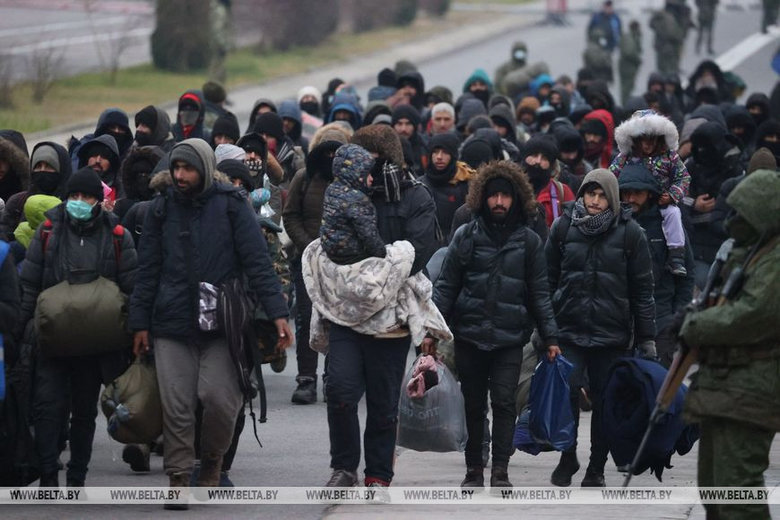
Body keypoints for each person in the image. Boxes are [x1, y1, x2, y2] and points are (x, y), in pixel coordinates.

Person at [128, 138, 292, 506]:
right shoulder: (161, 209)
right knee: (177, 405)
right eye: (176, 168)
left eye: (188, 168)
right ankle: (178, 477)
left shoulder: (232, 205)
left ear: (204, 168)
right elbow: (147, 269)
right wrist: (140, 323)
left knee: (218, 399)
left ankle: (213, 459)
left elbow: (257, 263)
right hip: (171, 322)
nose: (180, 175)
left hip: (221, 322)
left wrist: (277, 314)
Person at [428, 160, 559, 490]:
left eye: (505, 196)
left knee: (503, 403)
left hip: (510, 338)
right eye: (493, 196)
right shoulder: (466, 236)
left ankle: (500, 470)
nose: (499, 202)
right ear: (482, 198)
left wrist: (550, 337)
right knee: (473, 405)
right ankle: (474, 469)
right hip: (469, 336)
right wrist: (432, 332)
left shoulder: (529, 242)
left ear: (516, 199)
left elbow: (540, 294)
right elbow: (446, 287)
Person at [320, 123, 438, 488]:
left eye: (373, 162)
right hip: (347, 311)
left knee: (384, 403)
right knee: (340, 390)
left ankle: (378, 475)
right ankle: (343, 468)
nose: (367, 172)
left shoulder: (415, 197)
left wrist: (380, 269)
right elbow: (326, 238)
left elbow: (420, 250)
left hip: (392, 318)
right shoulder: (341, 193)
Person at [20, 167, 138, 487]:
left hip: (93, 343)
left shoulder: (117, 236)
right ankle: (48, 474)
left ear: (98, 201)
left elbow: (131, 287)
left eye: (86, 196)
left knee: (84, 412)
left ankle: (77, 477)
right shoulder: (48, 232)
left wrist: (134, 331)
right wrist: (23, 331)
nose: (79, 201)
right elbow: (30, 283)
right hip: (53, 339)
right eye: (74, 195)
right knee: (48, 407)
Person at [680, 168, 780, 520]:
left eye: (743, 211)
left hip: (752, 386)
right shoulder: (749, 253)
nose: (735, 218)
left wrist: (697, 325)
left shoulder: (774, 260)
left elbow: (752, 314)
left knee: (738, 494)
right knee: (714, 488)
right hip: (726, 384)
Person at [546, 169, 656, 487]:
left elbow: (642, 291)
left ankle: (596, 467)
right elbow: (546, 281)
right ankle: (568, 454)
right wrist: (545, 327)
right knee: (566, 392)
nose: (594, 201)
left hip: (612, 334)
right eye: (589, 193)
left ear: (613, 200)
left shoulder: (630, 234)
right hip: (569, 329)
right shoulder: (563, 227)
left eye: (601, 195)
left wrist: (647, 338)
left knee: (605, 402)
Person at [283, 124, 351, 404]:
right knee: (305, 317)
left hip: (343, 264)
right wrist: (308, 246)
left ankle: (333, 377)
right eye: (327, 151)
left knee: (339, 319)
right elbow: (290, 215)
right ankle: (306, 379)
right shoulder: (304, 177)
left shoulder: (352, 181)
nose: (331, 158)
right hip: (308, 262)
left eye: (337, 152)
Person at [619, 163, 695, 366]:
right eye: (626, 193)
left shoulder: (668, 225)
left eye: (637, 193)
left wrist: (676, 316)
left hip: (661, 320)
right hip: (619, 322)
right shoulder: (614, 224)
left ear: (649, 194)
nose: (631, 199)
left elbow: (686, 274)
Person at [611, 110, 691, 276]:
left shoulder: (670, 156)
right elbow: (611, 176)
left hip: (660, 202)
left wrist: (672, 195)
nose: (647, 145)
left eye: (651, 140)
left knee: (674, 214)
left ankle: (676, 256)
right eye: (643, 140)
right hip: (630, 202)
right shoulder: (625, 156)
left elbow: (683, 177)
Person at [320, 144, 386, 265]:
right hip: (353, 255)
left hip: (331, 252)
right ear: (356, 174)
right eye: (367, 174)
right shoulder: (358, 200)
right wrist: (382, 254)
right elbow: (368, 235)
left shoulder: (331, 189)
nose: (371, 178)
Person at [419, 133, 476, 242]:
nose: (439, 157)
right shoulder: (420, 185)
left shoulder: (466, 184)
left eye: (445, 152)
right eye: (435, 152)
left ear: (453, 155)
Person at [618, 20, 642, 105]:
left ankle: (625, 104)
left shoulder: (630, 37)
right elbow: (629, 52)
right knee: (627, 88)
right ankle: (625, 105)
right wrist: (637, 60)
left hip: (627, 66)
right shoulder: (629, 37)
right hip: (628, 67)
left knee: (627, 87)